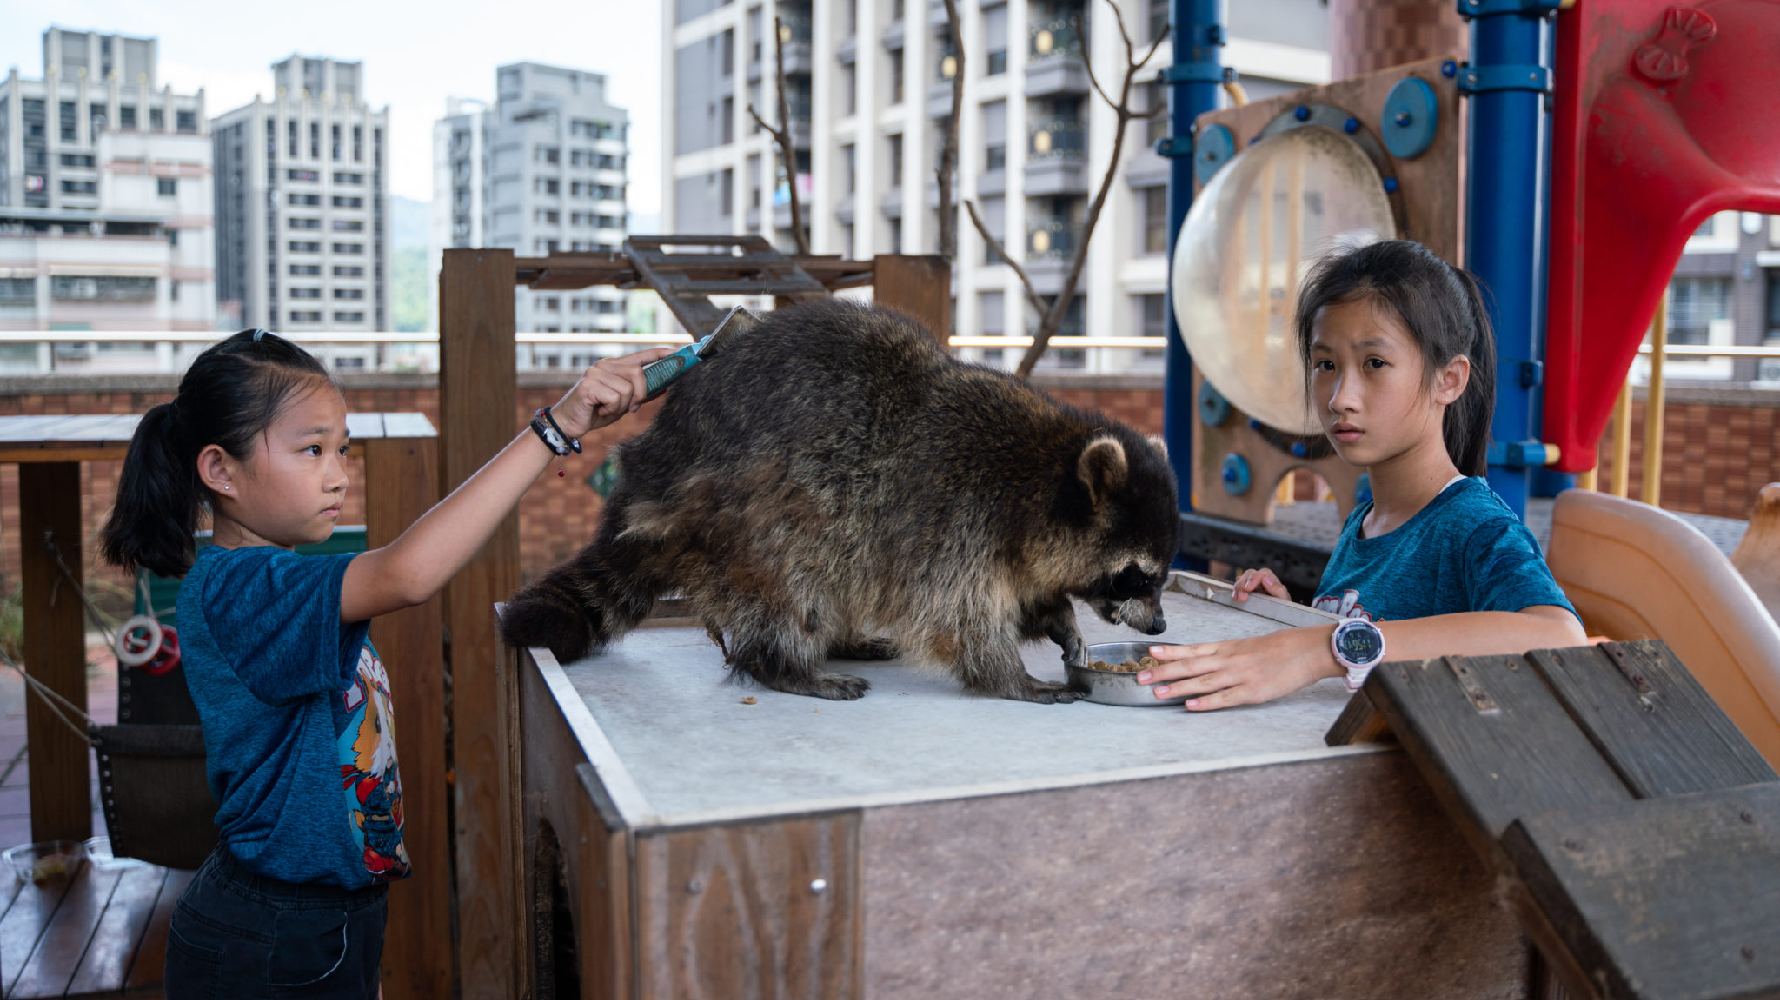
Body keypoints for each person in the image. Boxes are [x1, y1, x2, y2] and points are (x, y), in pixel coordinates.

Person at [100, 329, 670, 999]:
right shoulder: (240, 588)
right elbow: (406, 573)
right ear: (220, 471)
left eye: (342, 449)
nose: (338, 474)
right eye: (311, 450)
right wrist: (555, 428)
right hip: (271, 931)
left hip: (329, 915)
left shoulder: (280, 582)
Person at [1139, 240, 1586, 710]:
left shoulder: (1474, 525)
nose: (1340, 398)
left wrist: (1320, 648)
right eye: (1326, 365)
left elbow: (1561, 637)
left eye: (1375, 363)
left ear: (1449, 380)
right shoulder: (1367, 521)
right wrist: (1295, 619)